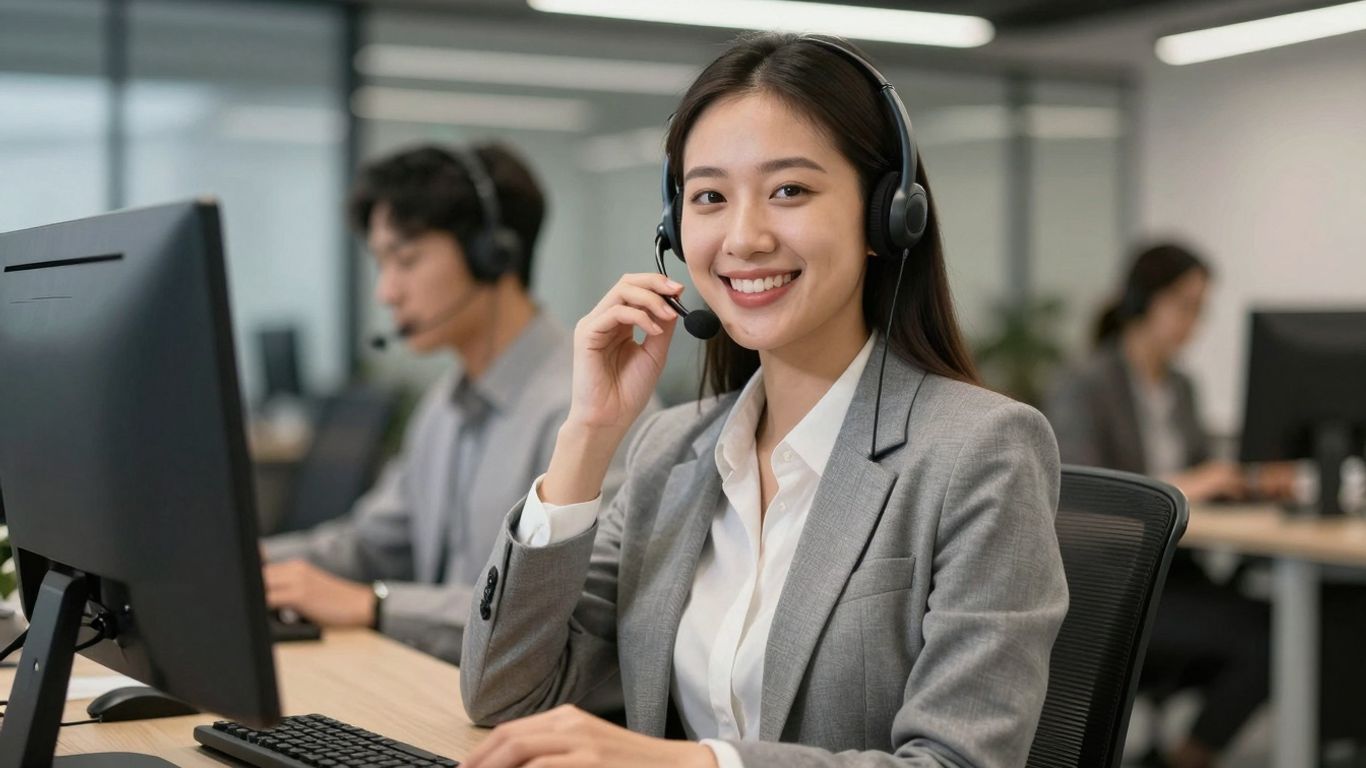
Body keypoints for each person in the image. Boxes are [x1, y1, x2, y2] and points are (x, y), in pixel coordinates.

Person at [457, 33, 1069, 768]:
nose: (743, 238)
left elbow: (959, 764)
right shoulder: (668, 454)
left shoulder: (982, 451)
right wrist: (587, 433)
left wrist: (690, 765)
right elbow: (502, 695)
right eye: (709, 197)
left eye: (790, 191)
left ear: (887, 217)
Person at [262, 143, 639, 664]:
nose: (386, 293)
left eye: (406, 259)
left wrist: (378, 606)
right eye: (381, 263)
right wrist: (238, 564)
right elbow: (371, 544)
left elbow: (568, 614)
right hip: (430, 687)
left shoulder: (589, 410)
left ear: (493, 253)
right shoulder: (443, 405)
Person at [1047, 243, 1276, 768]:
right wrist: (1196, 481)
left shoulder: (1181, 388)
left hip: (1180, 574)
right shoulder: (1086, 384)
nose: (1194, 322)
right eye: (1185, 304)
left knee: (1289, 620)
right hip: (1111, 585)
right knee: (1267, 636)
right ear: (1143, 301)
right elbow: (1084, 498)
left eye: (1201, 307)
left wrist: (1253, 482)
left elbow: (1204, 483)